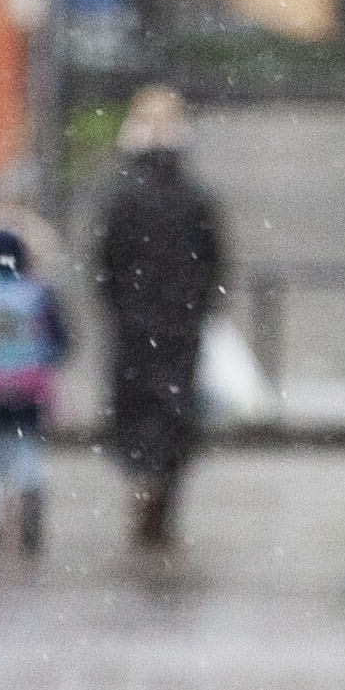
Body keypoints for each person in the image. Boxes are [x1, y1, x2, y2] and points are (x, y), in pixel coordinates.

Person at [93, 85, 227, 552]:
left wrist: (119, 306)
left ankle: (142, 483)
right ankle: (163, 498)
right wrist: (200, 306)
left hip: (134, 326)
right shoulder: (195, 196)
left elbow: (106, 262)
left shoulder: (122, 195)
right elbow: (214, 262)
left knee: (135, 411)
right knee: (175, 413)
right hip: (180, 326)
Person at [0, 220, 68, 560]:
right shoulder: (37, 294)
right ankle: (29, 522)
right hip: (30, 389)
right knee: (28, 453)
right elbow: (58, 343)